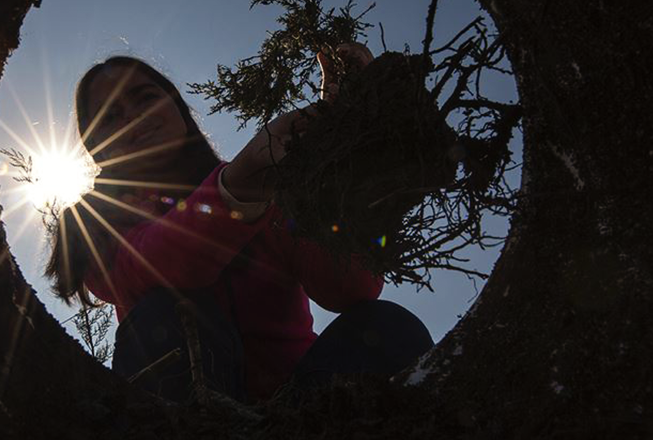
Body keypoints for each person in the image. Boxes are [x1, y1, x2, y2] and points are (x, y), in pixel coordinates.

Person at [45, 45, 433, 403]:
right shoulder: (92, 223)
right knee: (166, 313)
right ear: (96, 145)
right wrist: (237, 191)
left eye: (145, 97)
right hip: (183, 409)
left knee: (387, 326)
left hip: (297, 404)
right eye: (109, 116)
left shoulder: (265, 184)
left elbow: (350, 289)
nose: (134, 117)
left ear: (177, 107)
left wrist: (339, 153)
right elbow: (157, 264)